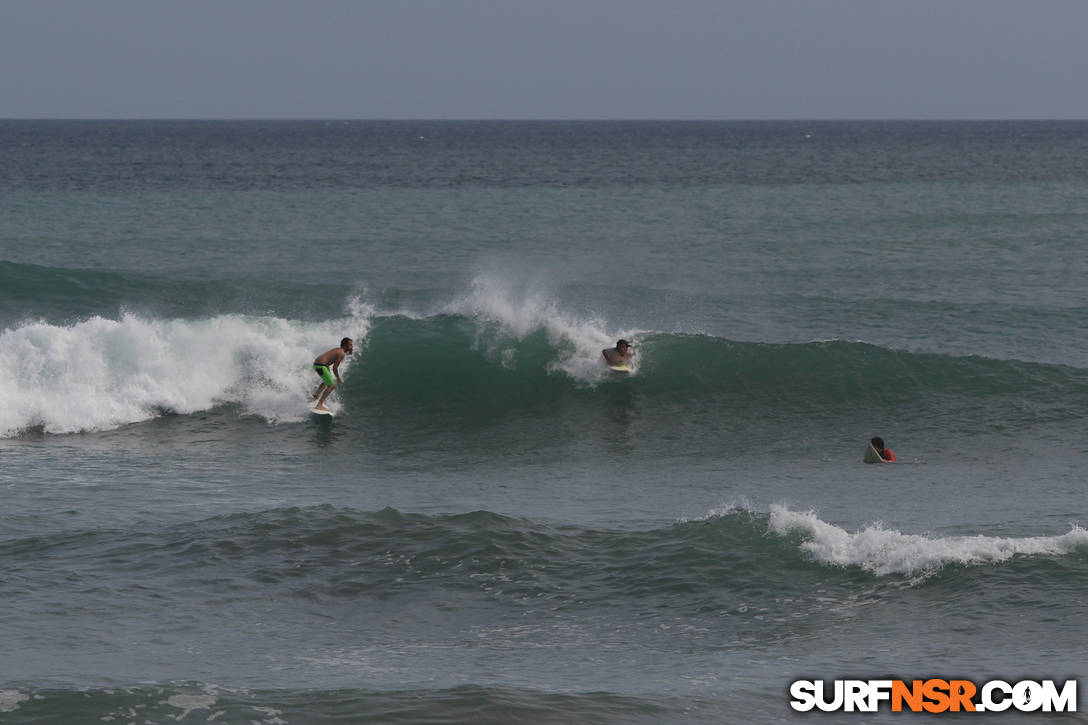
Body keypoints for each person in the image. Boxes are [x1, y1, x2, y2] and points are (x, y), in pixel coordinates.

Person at [311, 337, 354, 412]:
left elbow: (328, 360)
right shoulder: (341, 353)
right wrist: (338, 378)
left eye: (352, 345)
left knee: (327, 381)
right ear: (344, 345)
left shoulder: (338, 350)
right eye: (350, 345)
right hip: (321, 365)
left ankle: (315, 397)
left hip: (318, 364)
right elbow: (335, 367)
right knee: (332, 385)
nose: (351, 347)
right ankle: (319, 405)